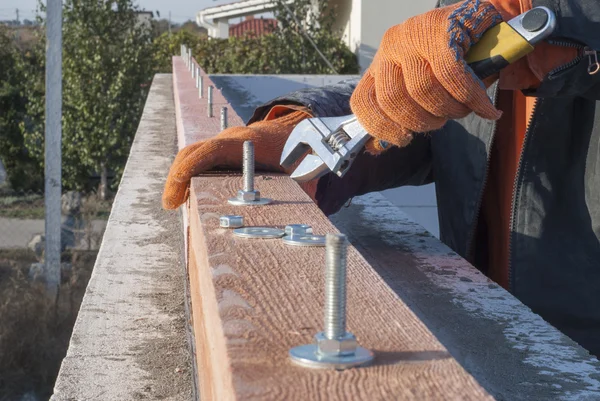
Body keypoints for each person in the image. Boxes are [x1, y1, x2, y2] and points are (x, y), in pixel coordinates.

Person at [163, 0, 600, 355]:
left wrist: (545, 22)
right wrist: (303, 128)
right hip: (488, 337)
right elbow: (441, 134)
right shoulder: (468, 12)